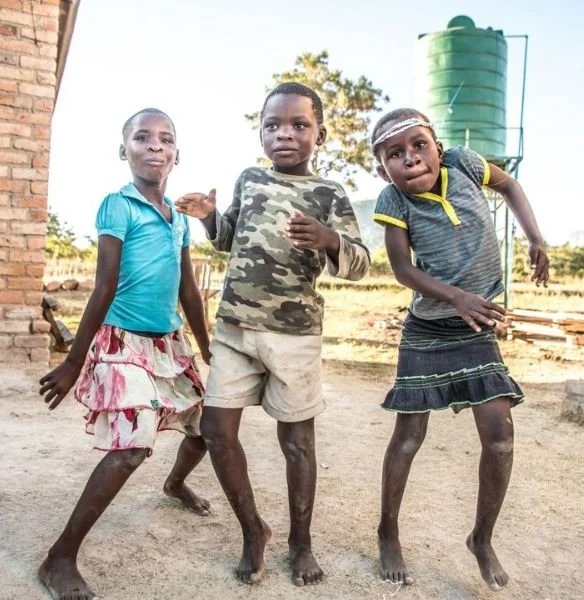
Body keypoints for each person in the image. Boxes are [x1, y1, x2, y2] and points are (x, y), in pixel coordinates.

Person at [175, 82, 370, 586]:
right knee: (217, 432)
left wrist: (329, 239)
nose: (284, 134)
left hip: (295, 336)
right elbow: (227, 239)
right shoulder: (250, 179)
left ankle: (300, 543)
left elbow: (361, 264)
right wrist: (207, 217)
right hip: (236, 328)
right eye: (272, 125)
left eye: (298, 125)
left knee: (298, 443)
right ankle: (251, 530)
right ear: (260, 132)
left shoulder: (329, 194)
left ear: (319, 134)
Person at [370, 108, 549, 590]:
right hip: (429, 330)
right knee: (408, 437)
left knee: (500, 437)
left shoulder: (467, 165)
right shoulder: (394, 200)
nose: (410, 158)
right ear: (382, 167)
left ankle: (482, 539)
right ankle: (388, 529)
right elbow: (404, 270)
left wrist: (535, 238)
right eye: (395, 154)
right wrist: (456, 296)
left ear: (439, 147)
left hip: (474, 328)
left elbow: (509, 186)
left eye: (418, 145)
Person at [37, 108, 212, 600]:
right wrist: (75, 359)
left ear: (177, 154)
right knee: (132, 447)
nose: (155, 145)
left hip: (169, 344)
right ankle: (60, 557)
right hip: (123, 342)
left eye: (166, 139)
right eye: (142, 137)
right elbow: (103, 286)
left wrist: (207, 347)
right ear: (125, 151)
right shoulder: (118, 206)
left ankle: (175, 484)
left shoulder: (179, 219)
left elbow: (189, 292)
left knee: (209, 430)